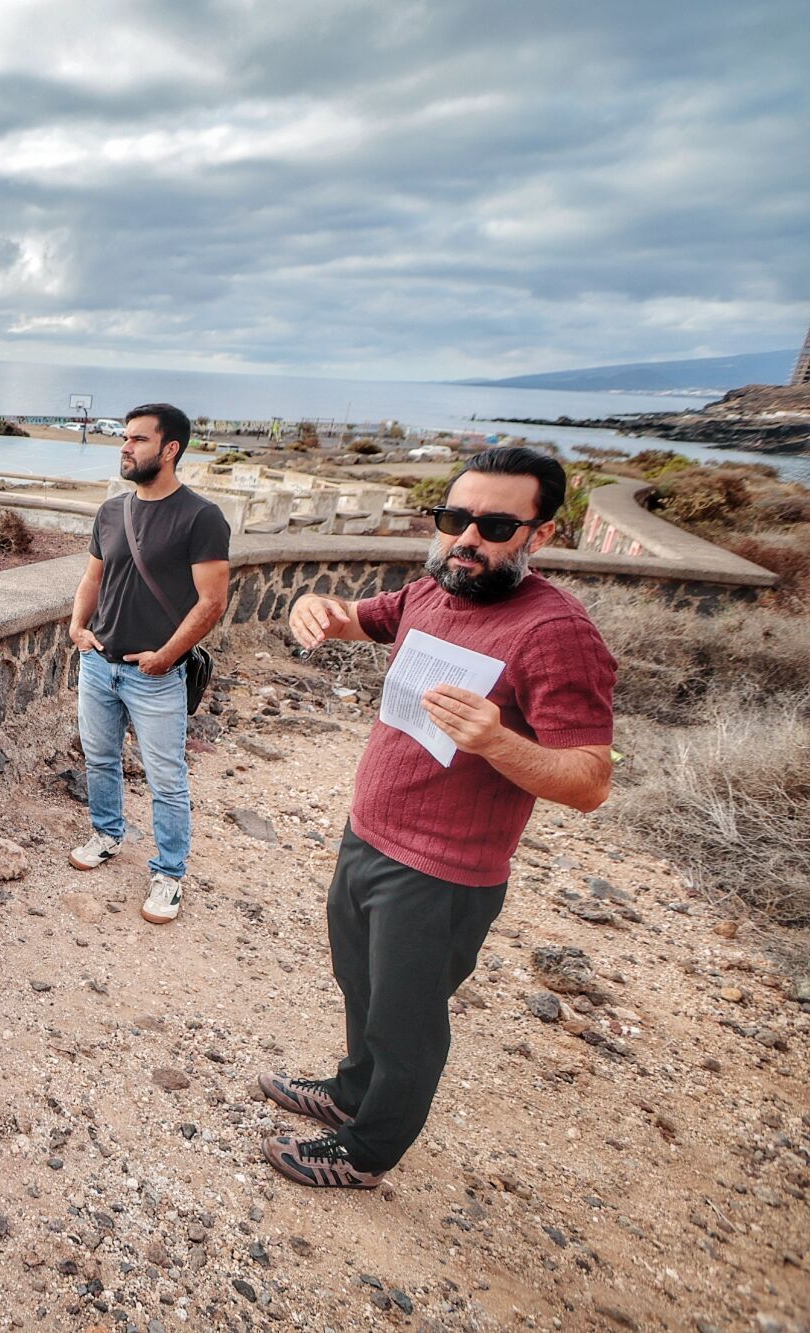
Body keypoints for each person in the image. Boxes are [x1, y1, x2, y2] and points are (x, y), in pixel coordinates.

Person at [261, 445, 615, 1189]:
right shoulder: (433, 588)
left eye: (493, 524)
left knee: (406, 1023)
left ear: (539, 535)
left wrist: (496, 741)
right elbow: (360, 619)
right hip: (369, 837)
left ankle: (366, 1151)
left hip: (443, 873)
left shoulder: (555, 630)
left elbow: (589, 780)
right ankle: (351, 1091)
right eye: (455, 518)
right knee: (360, 983)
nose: (467, 538)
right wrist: (313, 609)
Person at [65, 403, 230, 924]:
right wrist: (76, 627)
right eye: (125, 438)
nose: (125, 447)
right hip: (98, 664)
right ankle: (108, 834)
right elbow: (93, 577)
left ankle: (169, 873)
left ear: (170, 449)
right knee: (100, 758)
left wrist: (166, 657)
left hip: (154, 675)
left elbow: (213, 601)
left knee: (166, 777)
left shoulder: (201, 517)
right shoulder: (112, 511)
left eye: (137, 439)